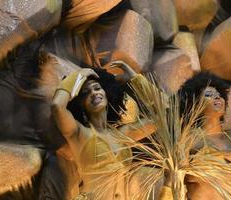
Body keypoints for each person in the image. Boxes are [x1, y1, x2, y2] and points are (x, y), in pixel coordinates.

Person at [51, 61, 172, 200]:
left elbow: (167, 110)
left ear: (107, 93)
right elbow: (57, 106)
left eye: (97, 88)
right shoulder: (79, 133)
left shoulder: (123, 133)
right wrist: (78, 76)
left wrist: (134, 79)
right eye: (86, 93)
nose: (94, 93)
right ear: (80, 103)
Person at [178, 72, 231, 199]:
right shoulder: (188, 139)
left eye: (220, 95)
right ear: (196, 104)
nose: (218, 98)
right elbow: (178, 174)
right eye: (209, 95)